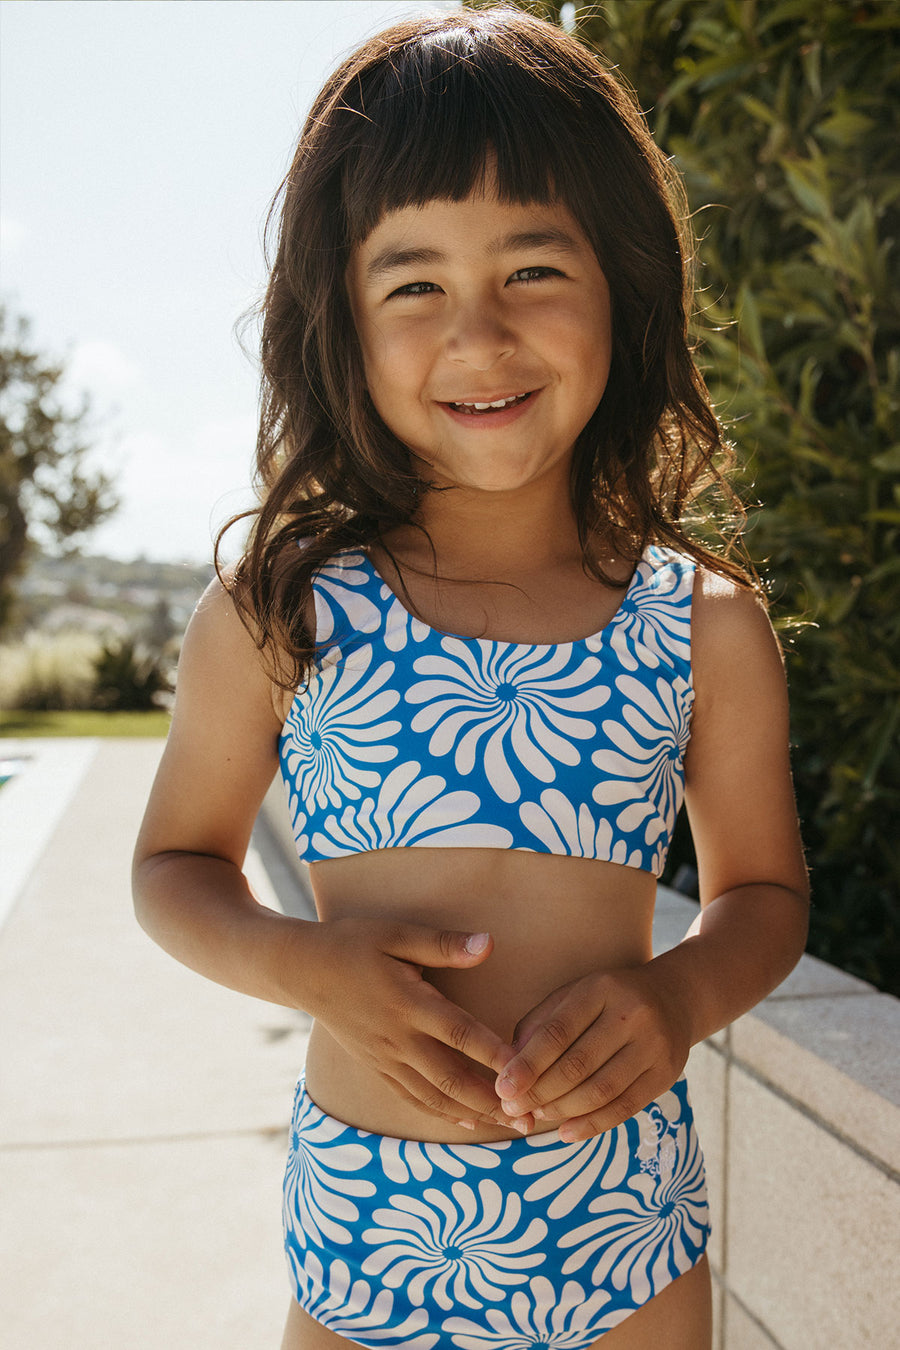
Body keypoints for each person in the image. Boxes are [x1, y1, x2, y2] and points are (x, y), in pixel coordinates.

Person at [132, 7, 810, 1347]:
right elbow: (174, 868)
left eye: (533, 269)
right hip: (364, 1235)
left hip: (623, 1234)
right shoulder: (282, 611)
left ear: (621, 280)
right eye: (414, 283)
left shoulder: (700, 622)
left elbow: (766, 895)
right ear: (344, 318)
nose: (478, 331)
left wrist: (679, 996)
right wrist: (301, 961)